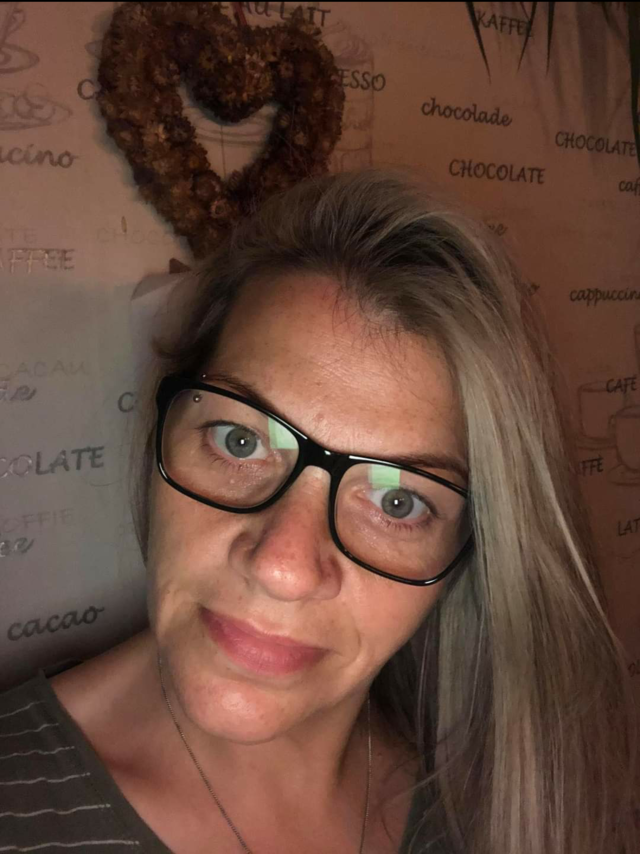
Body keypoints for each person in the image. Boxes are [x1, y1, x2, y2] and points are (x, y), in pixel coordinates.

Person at [0, 169, 636, 854]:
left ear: (470, 556)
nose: (283, 568)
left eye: (397, 501)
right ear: (164, 429)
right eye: (240, 441)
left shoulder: (495, 812)